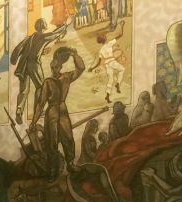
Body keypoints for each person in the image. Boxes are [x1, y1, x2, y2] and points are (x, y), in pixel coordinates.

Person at [30, 46, 85, 179]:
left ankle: (70, 164)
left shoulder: (67, 77)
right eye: (52, 68)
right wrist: (33, 121)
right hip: (52, 113)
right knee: (52, 143)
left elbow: (81, 68)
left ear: (60, 67)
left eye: (56, 67)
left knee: (68, 138)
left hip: (63, 110)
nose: (53, 70)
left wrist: (75, 54)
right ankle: (53, 171)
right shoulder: (47, 82)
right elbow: (41, 104)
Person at [11, 16, 72, 124]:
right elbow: (55, 34)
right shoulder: (43, 36)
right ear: (44, 26)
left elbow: (21, 50)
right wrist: (66, 24)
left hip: (23, 66)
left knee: (23, 90)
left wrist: (41, 51)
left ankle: (19, 111)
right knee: (41, 87)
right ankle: (37, 111)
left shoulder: (30, 37)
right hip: (33, 65)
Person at [88, 19, 125, 104]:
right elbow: (120, 35)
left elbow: (99, 63)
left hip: (107, 65)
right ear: (104, 39)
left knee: (110, 80)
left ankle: (107, 96)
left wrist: (92, 68)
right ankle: (118, 83)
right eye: (105, 36)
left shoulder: (101, 50)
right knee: (122, 69)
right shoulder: (109, 44)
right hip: (112, 62)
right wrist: (122, 26)